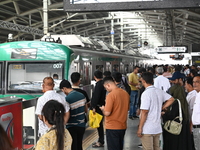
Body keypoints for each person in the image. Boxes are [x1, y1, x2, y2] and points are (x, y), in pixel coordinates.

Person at [137, 72, 174, 150]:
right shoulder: (159, 91)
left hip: (147, 128)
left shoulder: (146, 94)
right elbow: (171, 99)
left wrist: (140, 128)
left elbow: (144, 112)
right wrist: (162, 107)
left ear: (143, 81)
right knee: (156, 148)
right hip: (157, 127)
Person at [163, 71, 193, 150]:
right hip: (184, 127)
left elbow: (171, 115)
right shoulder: (183, 101)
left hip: (174, 131)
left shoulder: (175, 103)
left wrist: (164, 113)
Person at [99, 76, 130, 150]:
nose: (106, 89)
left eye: (106, 88)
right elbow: (127, 108)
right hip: (122, 126)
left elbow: (107, 113)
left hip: (112, 127)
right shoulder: (125, 93)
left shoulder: (111, 95)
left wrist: (103, 109)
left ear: (108, 85)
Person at [60, 79, 88, 150]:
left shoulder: (67, 99)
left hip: (71, 126)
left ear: (64, 88)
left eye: (62, 90)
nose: (63, 92)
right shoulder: (82, 95)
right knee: (79, 145)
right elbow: (86, 110)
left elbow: (67, 113)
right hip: (82, 124)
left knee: (73, 146)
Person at [90, 70, 106, 147]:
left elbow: (96, 97)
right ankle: (101, 140)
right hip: (103, 106)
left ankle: (101, 141)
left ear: (94, 77)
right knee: (100, 124)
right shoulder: (103, 84)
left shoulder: (98, 85)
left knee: (99, 125)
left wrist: (93, 107)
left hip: (98, 107)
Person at [192, 75, 200, 150]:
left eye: (197, 82)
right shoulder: (196, 94)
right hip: (196, 129)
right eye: (193, 82)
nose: (194, 84)